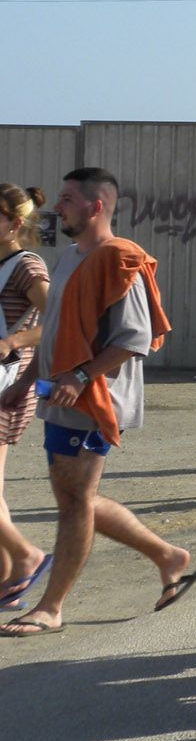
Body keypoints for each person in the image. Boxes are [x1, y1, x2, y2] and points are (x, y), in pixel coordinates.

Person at [0, 169, 192, 640]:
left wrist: (81, 375)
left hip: (96, 400)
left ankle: (51, 607)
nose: (56, 206)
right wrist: (26, 382)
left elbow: (135, 340)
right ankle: (168, 557)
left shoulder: (118, 260)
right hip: (59, 396)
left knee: (74, 502)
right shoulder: (69, 256)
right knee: (73, 496)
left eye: (67, 199)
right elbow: (57, 334)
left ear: (95, 207)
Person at [0, 185, 51, 610]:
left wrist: (16, 337)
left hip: (8, 383)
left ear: (15, 223)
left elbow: (57, 317)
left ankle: (26, 556)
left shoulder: (26, 265)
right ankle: (7, 579)